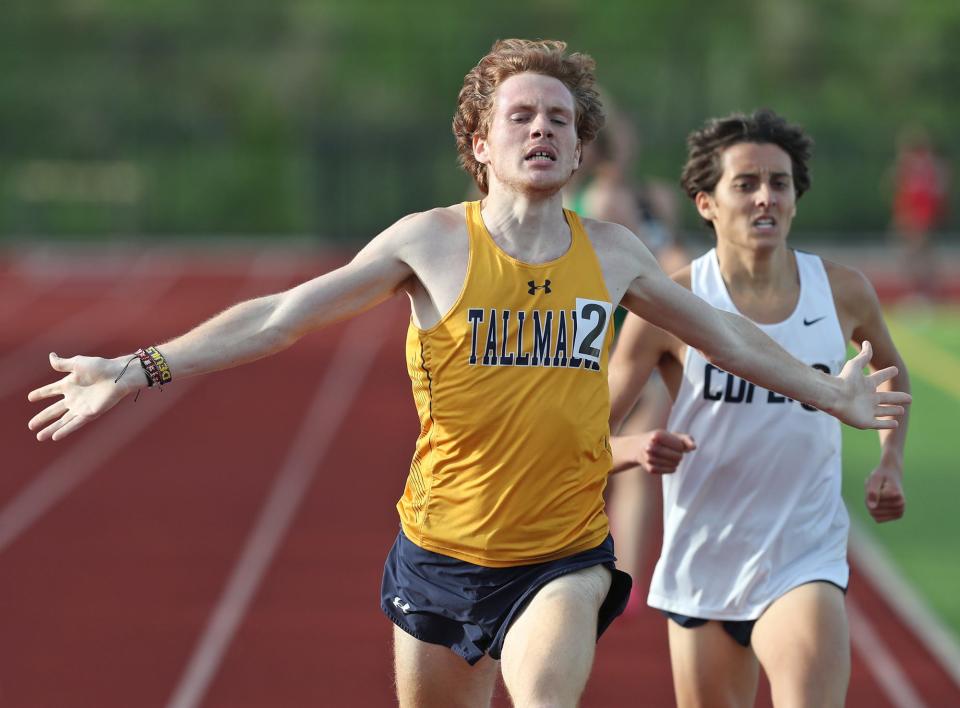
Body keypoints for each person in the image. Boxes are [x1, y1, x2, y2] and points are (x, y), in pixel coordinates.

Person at [27, 42, 908, 708]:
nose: (542, 130)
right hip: (440, 548)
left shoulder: (612, 254)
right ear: (479, 143)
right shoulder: (432, 243)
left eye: (560, 120)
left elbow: (725, 337)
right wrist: (137, 367)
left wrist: (832, 391)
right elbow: (279, 316)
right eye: (521, 116)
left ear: (578, 150)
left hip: (561, 552)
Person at [608, 109, 911, 708]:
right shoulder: (672, 304)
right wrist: (632, 449)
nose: (766, 197)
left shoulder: (843, 292)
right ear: (705, 203)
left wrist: (890, 462)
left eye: (780, 182)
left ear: (796, 196)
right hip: (704, 561)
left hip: (804, 554)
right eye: (745, 184)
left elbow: (889, 379)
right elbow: (585, 433)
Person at [564, 96, 690, 612]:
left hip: (629, 342)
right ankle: (608, 577)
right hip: (607, 344)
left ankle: (620, 580)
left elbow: (669, 260)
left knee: (624, 464)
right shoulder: (593, 200)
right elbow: (659, 262)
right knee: (603, 461)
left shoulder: (645, 198)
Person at [889, 124, 950, 301]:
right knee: (919, 259)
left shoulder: (916, 168)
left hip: (918, 219)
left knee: (916, 259)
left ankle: (922, 295)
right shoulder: (932, 167)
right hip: (917, 219)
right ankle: (923, 294)